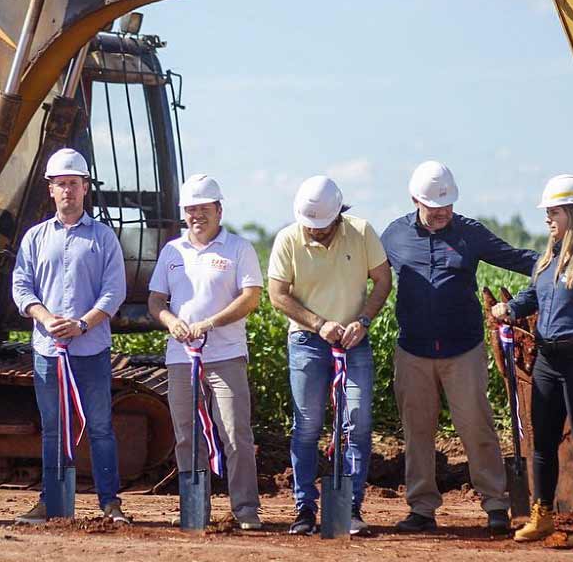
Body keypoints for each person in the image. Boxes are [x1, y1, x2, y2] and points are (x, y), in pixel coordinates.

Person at [381, 160, 537, 536]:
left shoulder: (471, 233)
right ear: (414, 200)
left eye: (447, 206)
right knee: (417, 432)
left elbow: (523, 260)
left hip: (463, 350)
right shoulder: (392, 236)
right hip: (413, 351)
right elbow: (365, 277)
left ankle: (496, 504)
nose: (442, 213)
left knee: (476, 427)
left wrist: (560, 264)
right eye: (435, 208)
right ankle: (421, 508)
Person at [490, 175, 573, 547]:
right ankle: (541, 513)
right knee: (542, 442)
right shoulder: (546, 260)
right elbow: (533, 295)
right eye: (547, 212)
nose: (548, 218)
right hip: (547, 358)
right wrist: (509, 308)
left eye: (554, 211)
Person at [11, 148, 131, 525]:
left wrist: (81, 324)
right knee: (53, 429)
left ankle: (110, 504)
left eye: (74, 184)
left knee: (99, 427)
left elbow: (114, 292)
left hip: (91, 349)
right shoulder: (35, 238)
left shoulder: (104, 238)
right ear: (50, 190)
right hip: (48, 351)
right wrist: (45, 318)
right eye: (61, 184)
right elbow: (21, 285)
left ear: (85, 189)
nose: (68, 191)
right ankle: (52, 501)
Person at [268, 175, 392, 536]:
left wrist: (363, 321)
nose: (315, 232)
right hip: (307, 343)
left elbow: (383, 280)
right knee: (306, 425)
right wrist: (319, 324)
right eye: (310, 226)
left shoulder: (362, 231)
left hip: (355, 343)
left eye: (322, 227)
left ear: (339, 214)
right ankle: (304, 508)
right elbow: (278, 294)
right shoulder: (288, 239)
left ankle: (350, 508)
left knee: (358, 421)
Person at [148, 174, 265, 530]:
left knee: (235, 433)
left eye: (204, 208)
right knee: (186, 434)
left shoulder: (238, 249)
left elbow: (251, 298)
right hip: (181, 358)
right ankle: (194, 509)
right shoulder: (172, 251)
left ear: (219, 209)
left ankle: (245, 511)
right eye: (191, 209)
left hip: (226, 354)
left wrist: (210, 323)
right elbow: (156, 300)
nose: (197, 215)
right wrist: (170, 321)